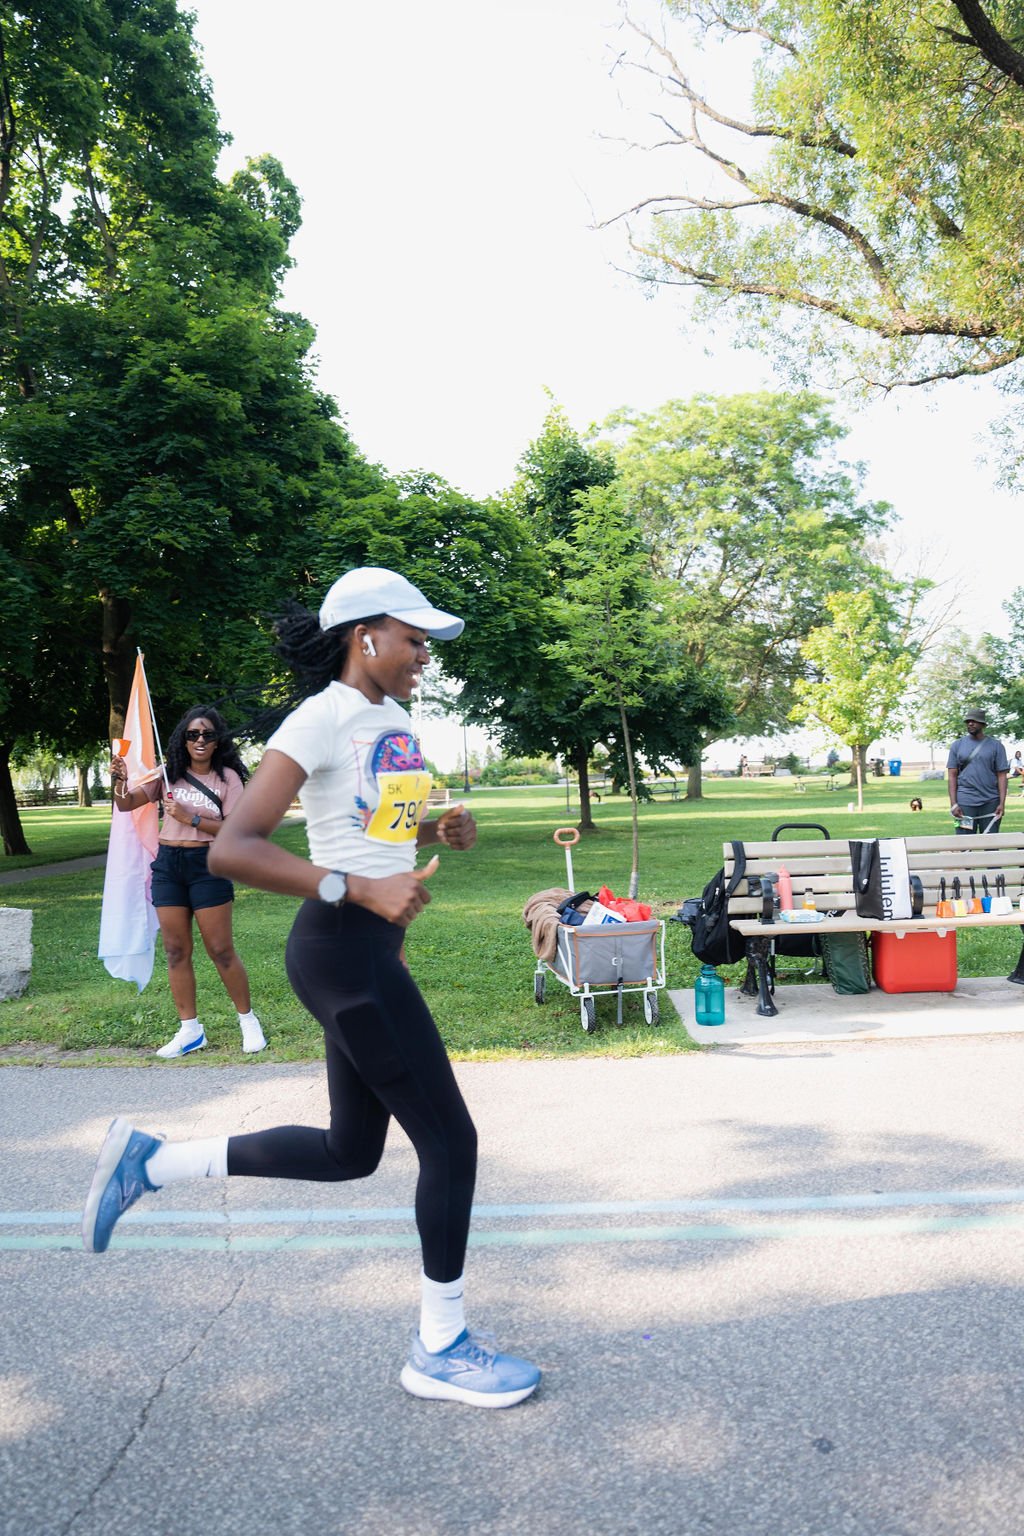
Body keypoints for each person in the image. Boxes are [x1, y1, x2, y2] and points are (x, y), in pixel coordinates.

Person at [84, 567, 541, 1410]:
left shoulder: (391, 716)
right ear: (364, 635)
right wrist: (360, 891)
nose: (424, 657)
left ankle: (153, 1163)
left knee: (349, 1152)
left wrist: (441, 830)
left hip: (368, 950)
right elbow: (235, 848)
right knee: (451, 1141)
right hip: (341, 947)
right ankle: (439, 1346)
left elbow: (372, 826)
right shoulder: (320, 716)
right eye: (413, 639)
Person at [111, 706, 265, 1057]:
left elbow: (237, 829)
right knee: (176, 950)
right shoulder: (168, 774)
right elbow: (126, 804)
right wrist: (120, 779)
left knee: (220, 950)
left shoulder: (227, 778)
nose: (199, 740)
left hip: (208, 864)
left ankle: (248, 1022)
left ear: (217, 741)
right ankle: (190, 1031)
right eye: (193, 734)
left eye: (207, 735)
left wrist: (192, 818)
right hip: (168, 866)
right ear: (183, 738)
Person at [947, 706, 1009, 835]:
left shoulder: (996, 746)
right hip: (964, 803)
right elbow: (952, 775)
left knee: (991, 845)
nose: (970, 723)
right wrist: (953, 804)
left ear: (982, 724)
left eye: (974, 721)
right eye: (968, 721)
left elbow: (1002, 776)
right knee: (963, 844)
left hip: (991, 802)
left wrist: (1002, 803)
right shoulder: (957, 745)